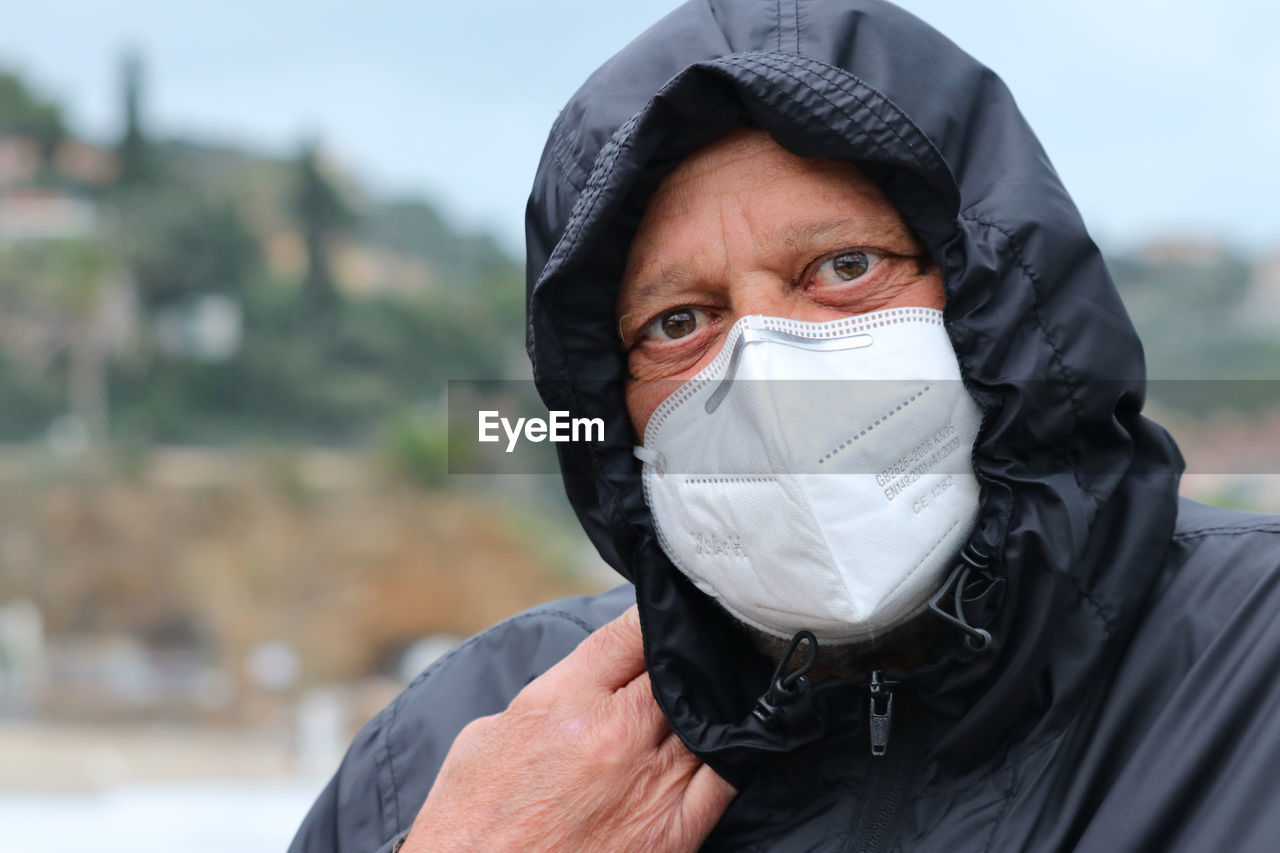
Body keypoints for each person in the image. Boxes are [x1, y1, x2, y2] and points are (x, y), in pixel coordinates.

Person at [289, 1, 1280, 850]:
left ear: (997, 298)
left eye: (843, 268)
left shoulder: (1251, 668)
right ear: (608, 410)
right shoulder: (453, 747)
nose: (766, 374)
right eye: (678, 323)